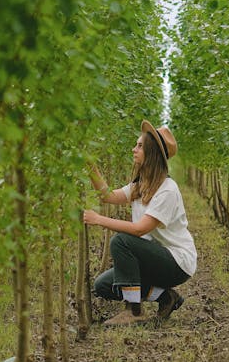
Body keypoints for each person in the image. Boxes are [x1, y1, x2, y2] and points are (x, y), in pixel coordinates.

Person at [83, 120, 197, 326]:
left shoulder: (167, 190)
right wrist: (90, 165)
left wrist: (98, 220)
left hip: (176, 262)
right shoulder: (141, 185)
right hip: (154, 256)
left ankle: (133, 310)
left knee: (121, 241)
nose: (133, 149)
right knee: (104, 285)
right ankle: (166, 298)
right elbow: (108, 195)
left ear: (152, 153)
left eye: (140, 146)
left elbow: (140, 229)